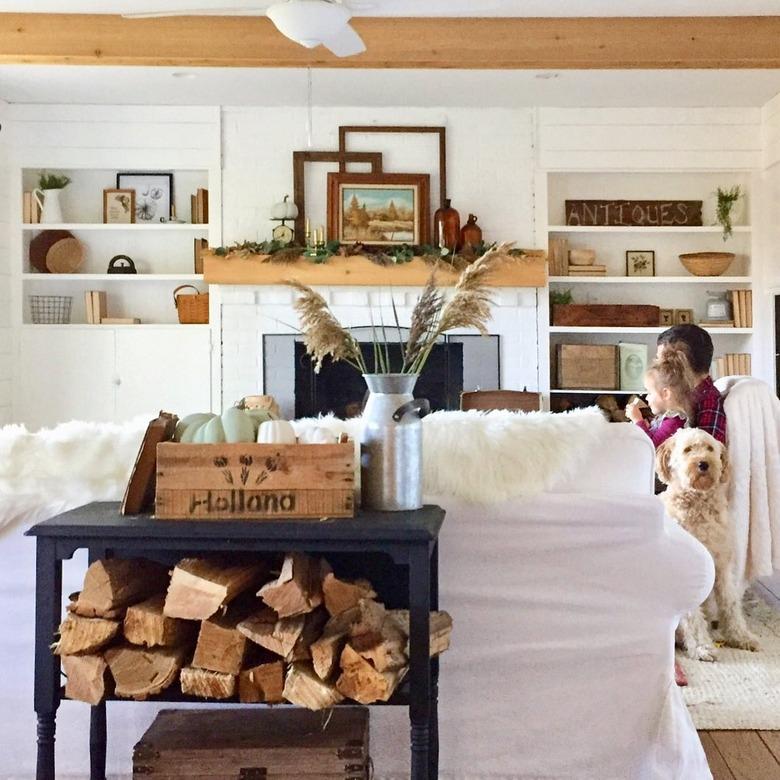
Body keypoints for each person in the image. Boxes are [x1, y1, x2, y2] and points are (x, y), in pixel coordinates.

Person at [656, 323, 727, 444]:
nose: (658, 369)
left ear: (679, 362)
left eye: (663, 362)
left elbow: (704, 456)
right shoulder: (683, 395)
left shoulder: (709, 404)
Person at [626, 349, 695, 447]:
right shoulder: (667, 418)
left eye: (649, 393)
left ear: (666, 394)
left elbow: (651, 446)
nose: (646, 398)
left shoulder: (674, 422)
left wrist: (638, 420)